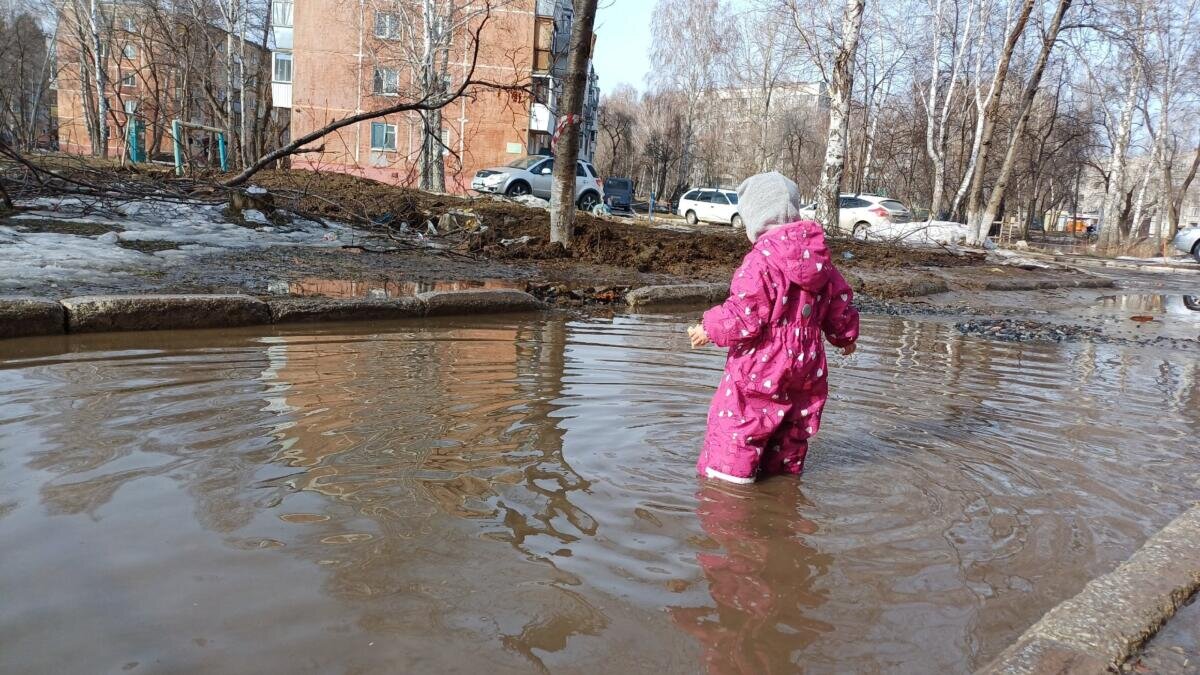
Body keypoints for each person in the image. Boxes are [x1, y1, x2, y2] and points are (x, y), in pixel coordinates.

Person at [687, 172, 860, 484]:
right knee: (792, 425)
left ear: (753, 217)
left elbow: (744, 314)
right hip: (806, 366)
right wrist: (845, 336)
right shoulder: (821, 263)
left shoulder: (760, 261)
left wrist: (709, 326)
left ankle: (727, 488)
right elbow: (838, 302)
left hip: (762, 363)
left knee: (741, 421)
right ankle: (783, 483)